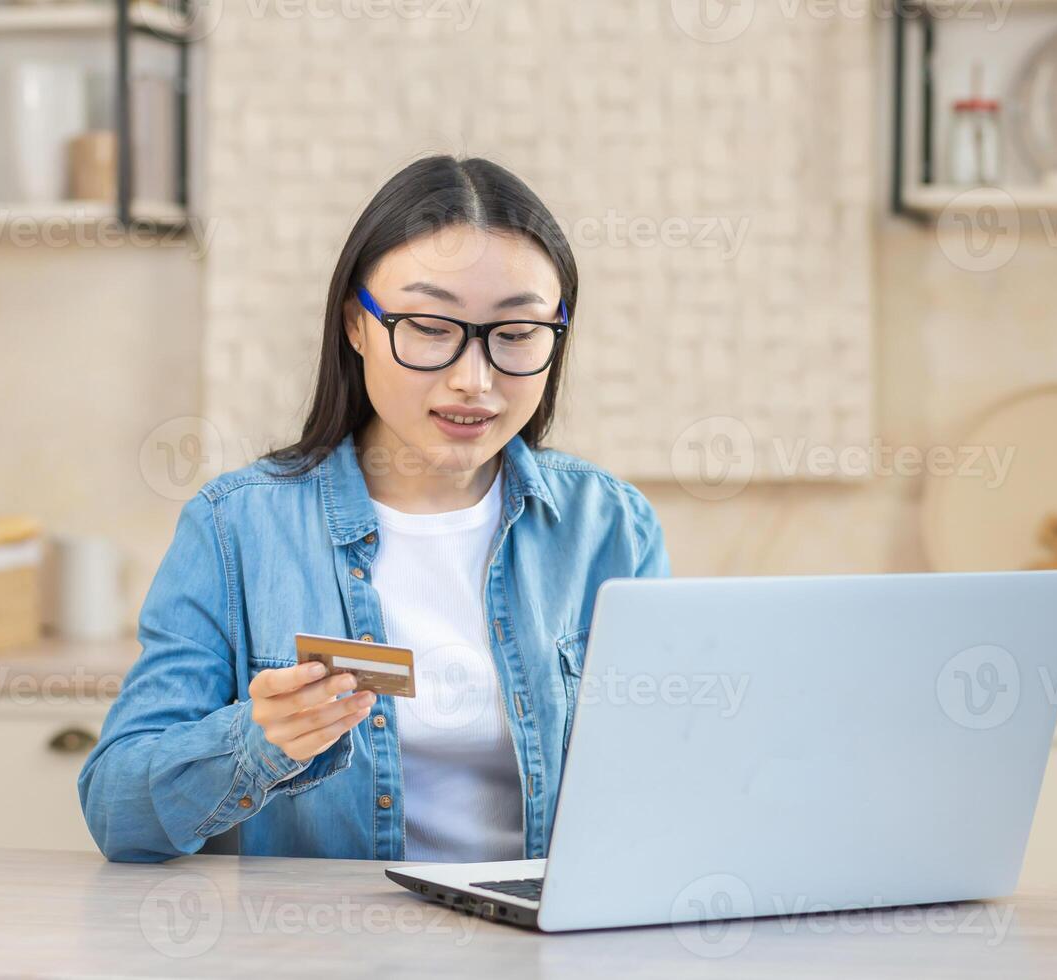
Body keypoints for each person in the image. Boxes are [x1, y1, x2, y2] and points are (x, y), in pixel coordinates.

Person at [79, 155, 670, 863]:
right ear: (357, 326)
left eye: (515, 335)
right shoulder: (237, 528)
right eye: (428, 325)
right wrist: (256, 741)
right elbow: (118, 813)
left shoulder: (611, 527)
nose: (472, 379)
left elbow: (668, 782)